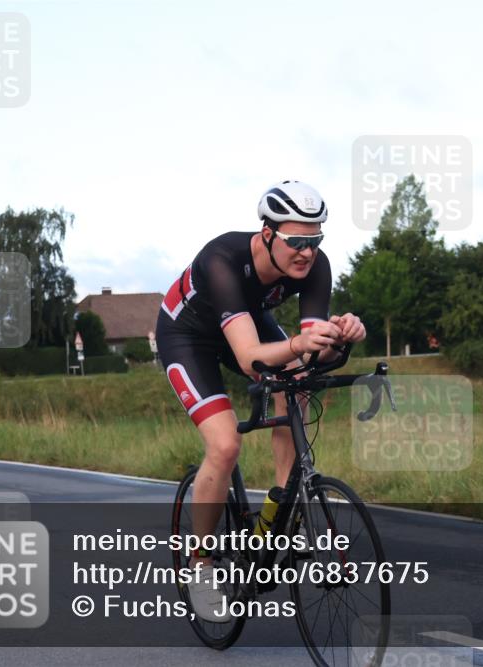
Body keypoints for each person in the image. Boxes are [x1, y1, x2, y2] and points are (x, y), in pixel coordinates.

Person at [155, 180, 366, 621]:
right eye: (295, 241)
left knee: (300, 380)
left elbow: (311, 352)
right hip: (189, 337)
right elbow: (251, 359)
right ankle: (201, 566)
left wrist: (341, 335)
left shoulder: (315, 266)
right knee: (226, 444)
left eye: (315, 240)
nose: (306, 252)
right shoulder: (222, 260)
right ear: (267, 233)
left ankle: (285, 514)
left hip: (248, 325)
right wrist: (299, 345)